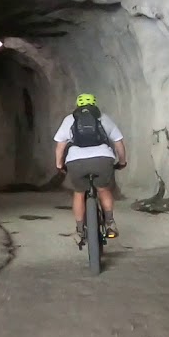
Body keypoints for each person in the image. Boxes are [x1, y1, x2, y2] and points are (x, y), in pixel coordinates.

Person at [53, 93, 126, 244]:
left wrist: (59, 164)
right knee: (103, 189)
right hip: (103, 159)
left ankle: (80, 230)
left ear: (77, 105)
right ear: (94, 104)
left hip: (76, 161)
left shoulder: (70, 119)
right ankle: (110, 224)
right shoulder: (103, 118)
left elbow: (60, 146)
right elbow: (118, 142)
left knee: (79, 193)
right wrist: (122, 161)